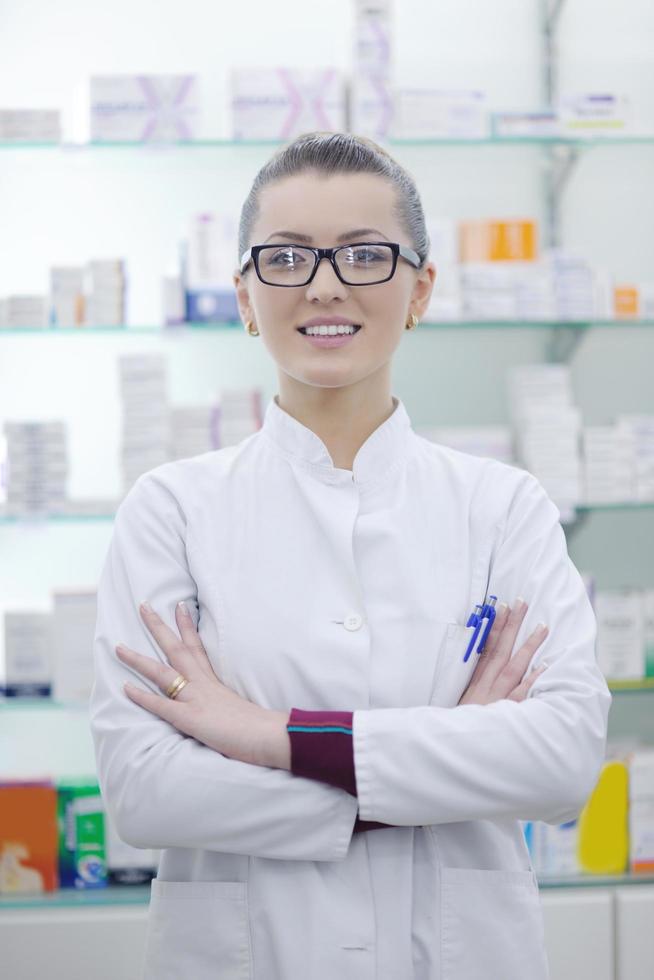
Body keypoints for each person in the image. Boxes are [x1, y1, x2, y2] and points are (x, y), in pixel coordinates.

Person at [89, 130, 612, 980]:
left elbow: (558, 762)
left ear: (420, 290)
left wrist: (259, 733)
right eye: (286, 258)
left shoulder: (503, 506)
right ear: (245, 296)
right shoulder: (170, 510)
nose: (326, 285)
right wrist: (443, 756)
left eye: (366, 254)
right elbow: (146, 790)